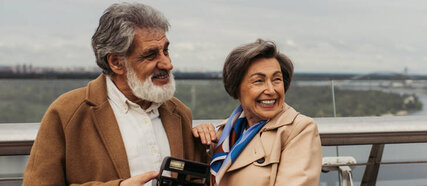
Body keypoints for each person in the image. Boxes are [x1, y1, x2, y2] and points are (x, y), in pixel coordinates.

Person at [23, 3, 207, 186]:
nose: (167, 64)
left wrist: (211, 143)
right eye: (151, 55)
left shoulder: (180, 113)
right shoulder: (66, 113)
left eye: (165, 50)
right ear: (116, 63)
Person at [193, 39, 322, 186]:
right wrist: (198, 145)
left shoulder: (299, 130)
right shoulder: (224, 134)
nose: (271, 90)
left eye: (277, 79)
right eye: (259, 81)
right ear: (236, 87)